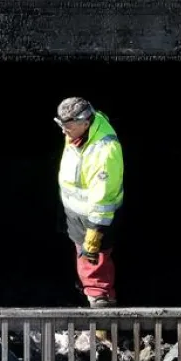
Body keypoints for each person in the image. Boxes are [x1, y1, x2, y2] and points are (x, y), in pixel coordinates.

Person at [56, 96, 123, 307]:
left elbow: (104, 196)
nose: (63, 130)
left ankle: (102, 313)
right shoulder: (79, 134)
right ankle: (90, 297)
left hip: (94, 218)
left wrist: (95, 231)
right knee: (84, 260)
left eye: (68, 125)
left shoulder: (104, 150)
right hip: (75, 213)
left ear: (85, 122)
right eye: (60, 124)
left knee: (94, 263)